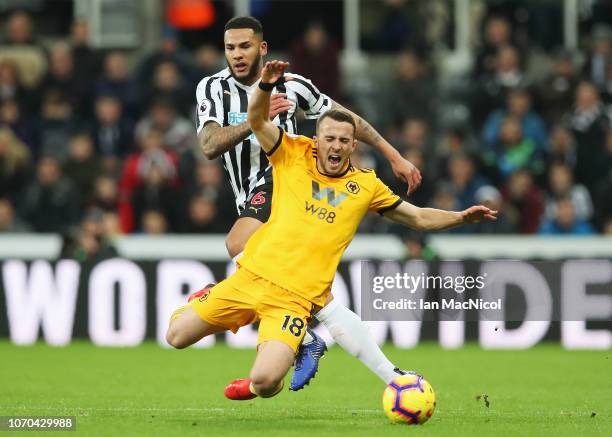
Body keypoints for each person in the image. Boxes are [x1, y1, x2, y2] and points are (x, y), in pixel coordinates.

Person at [166, 60, 497, 401]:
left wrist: (460, 217)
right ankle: (214, 298)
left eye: (343, 140)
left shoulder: (366, 186)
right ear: (317, 139)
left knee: (265, 384)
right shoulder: (291, 152)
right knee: (175, 336)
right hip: (249, 279)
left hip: (293, 303)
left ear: (353, 146)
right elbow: (255, 121)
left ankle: (265, 376)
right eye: (329, 139)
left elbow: (418, 218)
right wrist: (264, 86)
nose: (335, 146)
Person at [194, 16, 422, 391]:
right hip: (245, 194)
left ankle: (293, 333)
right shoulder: (212, 88)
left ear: (262, 48)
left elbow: (347, 121)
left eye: (245, 46)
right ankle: (309, 342)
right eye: (230, 47)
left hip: (287, 183)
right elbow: (208, 145)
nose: (237, 54)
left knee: (237, 244)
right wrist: (257, 119)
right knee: (300, 290)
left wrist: (392, 154)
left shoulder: (293, 86)